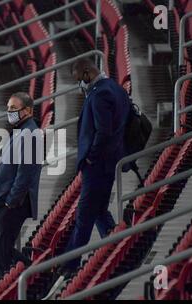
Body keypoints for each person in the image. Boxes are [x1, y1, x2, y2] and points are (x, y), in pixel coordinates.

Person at [62, 58, 131, 275]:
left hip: (98, 165)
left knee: (84, 215)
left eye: (78, 80)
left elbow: (104, 131)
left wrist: (91, 157)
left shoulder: (100, 93)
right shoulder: (115, 88)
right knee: (100, 210)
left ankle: (69, 267)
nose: (79, 85)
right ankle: (116, 250)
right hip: (108, 162)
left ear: (87, 73)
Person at [0, 92, 43, 280]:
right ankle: (39, 273)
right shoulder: (21, 131)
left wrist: (11, 201)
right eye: (8, 108)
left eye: (13, 108)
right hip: (5, 200)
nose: (9, 112)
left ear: (27, 110)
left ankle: (9, 287)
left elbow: (25, 173)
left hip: (13, 203)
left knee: (1, 252)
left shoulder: (30, 133)